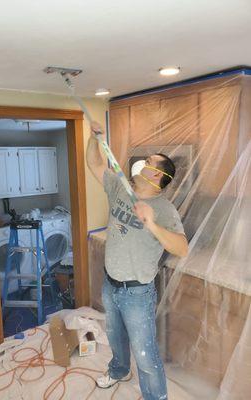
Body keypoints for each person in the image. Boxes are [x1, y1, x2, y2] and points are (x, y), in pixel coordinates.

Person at [86, 121, 189, 400]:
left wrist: (153, 225)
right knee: (115, 337)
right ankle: (119, 370)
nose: (141, 164)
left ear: (157, 177)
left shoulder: (164, 209)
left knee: (145, 353)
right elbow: (94, 164)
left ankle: (155, 396)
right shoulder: (122, 187)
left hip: (137, 292)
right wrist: (96, 139)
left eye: (148, 163)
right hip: (111, 284)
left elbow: (182, 248)